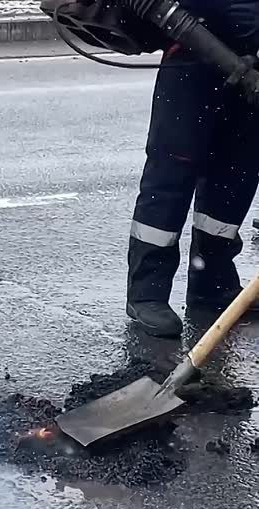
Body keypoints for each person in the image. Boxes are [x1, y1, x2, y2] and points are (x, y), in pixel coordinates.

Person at [126, 0, 259, 338]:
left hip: (252, 64)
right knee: (172, 175)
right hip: (193, 54)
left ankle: (213, 283)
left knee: (236, 174)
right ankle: (147, 294)